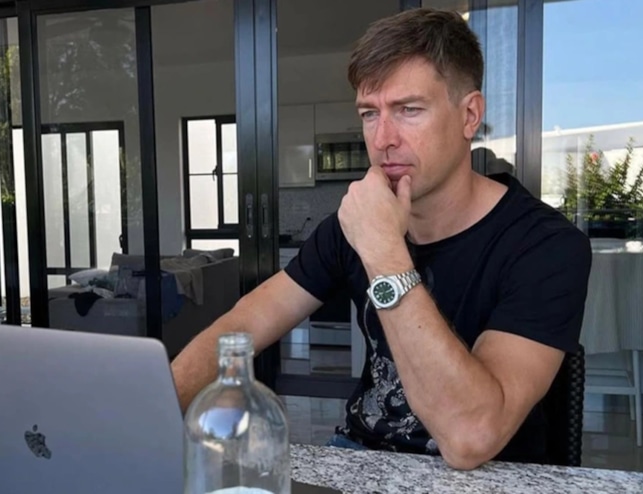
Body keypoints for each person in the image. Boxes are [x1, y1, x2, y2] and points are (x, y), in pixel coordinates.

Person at [170, 8, 591, 470]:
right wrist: (153, 410)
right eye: (370, 113)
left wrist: (383, 250)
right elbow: (242, 327)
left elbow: (470, 438)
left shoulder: (545, 246)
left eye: (409, 110)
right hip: (360, 459)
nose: (383, 138)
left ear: (469, 114)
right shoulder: (349, 227)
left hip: (489, 477)